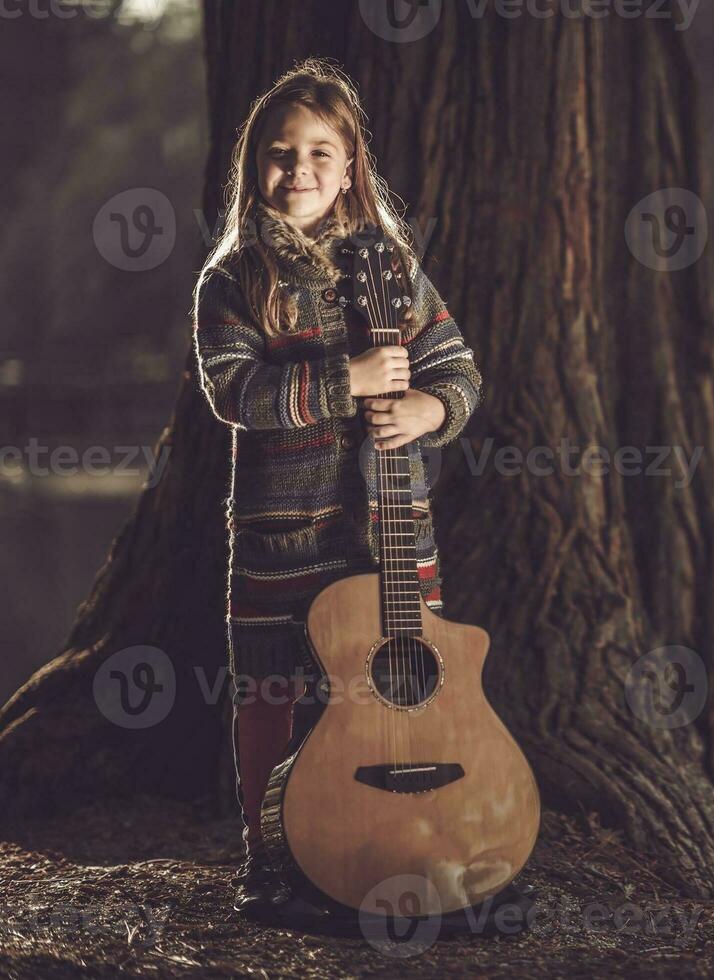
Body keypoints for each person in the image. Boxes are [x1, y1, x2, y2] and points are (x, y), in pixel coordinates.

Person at [190, 58, 483, 921]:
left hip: (388, 537)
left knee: (396, 693)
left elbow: (457, 367)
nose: (301, 169)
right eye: (281, 153)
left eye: (322, 151)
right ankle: (273, 863)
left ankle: (406, 843)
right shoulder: (233, 278)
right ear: (255, 168)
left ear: (351, 166)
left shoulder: (390, 266)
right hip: (286, 542)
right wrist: (344, 379)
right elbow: (235, 395)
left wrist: (430, 408)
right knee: (276, 699)